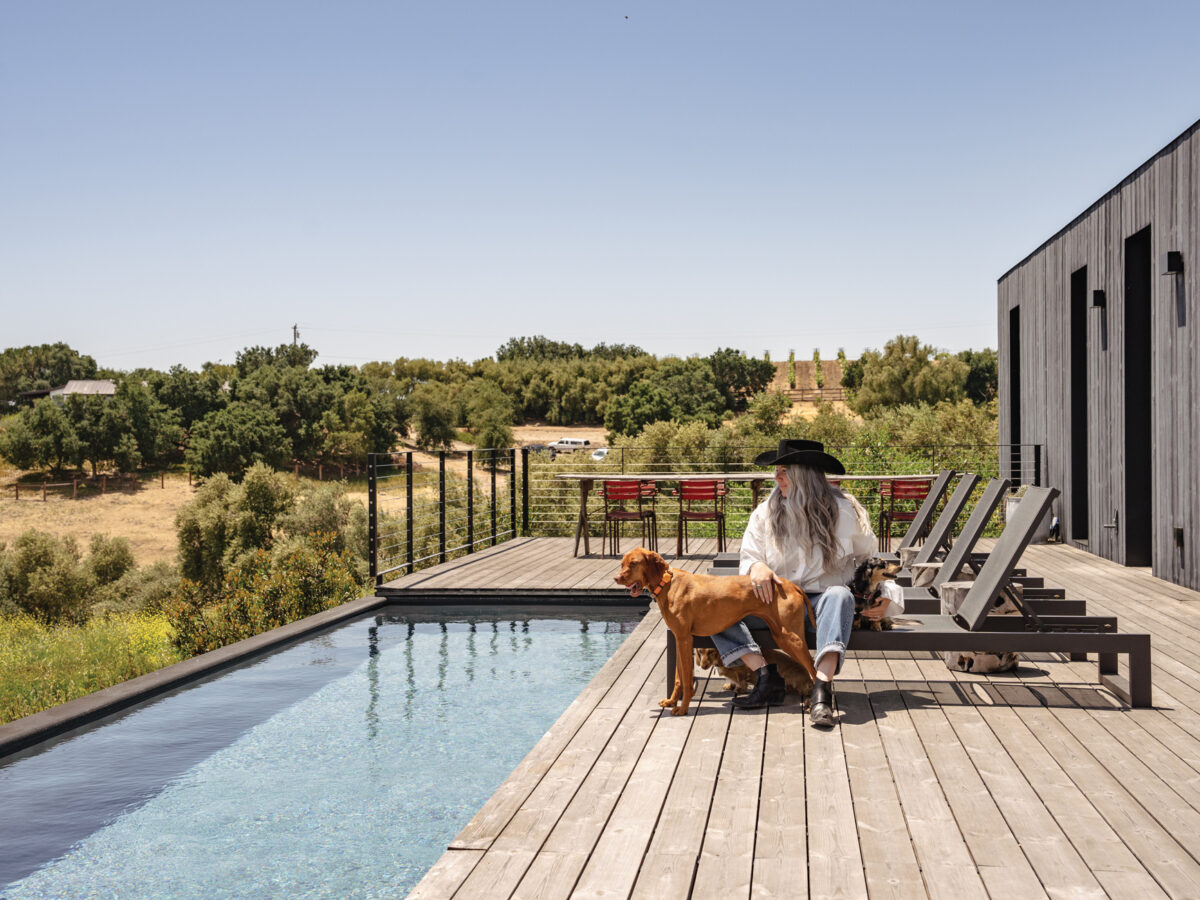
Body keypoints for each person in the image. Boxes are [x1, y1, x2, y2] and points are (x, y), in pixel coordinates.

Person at [709, 439, 904, 726]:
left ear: (806, 475)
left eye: (784, 471)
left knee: (840, 595)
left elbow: (869, 561)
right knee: (715, 608)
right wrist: (757, 566)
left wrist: (889, 594)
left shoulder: (845, 511)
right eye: (777, 471)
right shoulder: (765, 512)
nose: (776, 478)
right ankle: (765, 676)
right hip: (773, 605)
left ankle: (821, 689)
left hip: (821, 608)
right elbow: (749, 555)